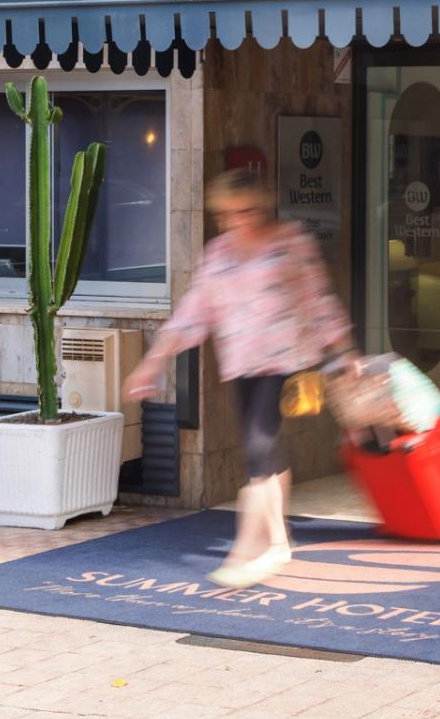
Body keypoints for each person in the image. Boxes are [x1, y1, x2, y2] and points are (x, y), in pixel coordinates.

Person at [125, 168, 352, 588]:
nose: (238, 220)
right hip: (243, 364)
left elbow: (319, 300)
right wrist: (152, 361)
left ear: (262, 206)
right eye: (228, 214)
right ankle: (280, 541)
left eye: (246, 210)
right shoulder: (220, 254)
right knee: (267, 453)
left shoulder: (290, 243)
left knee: (257, 448)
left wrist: (345, 352)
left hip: (287, 362)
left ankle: (246, 549)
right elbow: (195, 310)